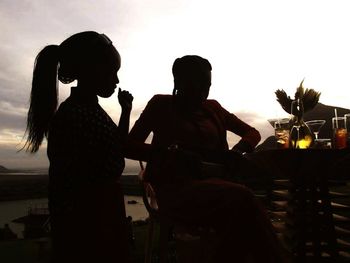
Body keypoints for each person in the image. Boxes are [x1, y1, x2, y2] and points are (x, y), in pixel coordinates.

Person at [126, 55, 284, 262]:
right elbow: (129, 147)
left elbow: (253, 133)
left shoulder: (213, 108)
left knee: (240, 212)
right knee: (242, 201)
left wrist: (237, 151)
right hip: (175, 189)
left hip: (217, 185)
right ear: (177, 83)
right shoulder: (160, 105)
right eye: (195, 85)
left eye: (206, 85)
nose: (202, 92)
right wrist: (169, 155)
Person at [24, 31, 133, 263]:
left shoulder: (88, 110)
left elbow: (117, 146)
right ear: (89, 68)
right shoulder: (75, 115)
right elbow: (97, 172)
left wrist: (125, 111)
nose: (116, 80)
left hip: (98, 221)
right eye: (111, 71)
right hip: (88, 230)